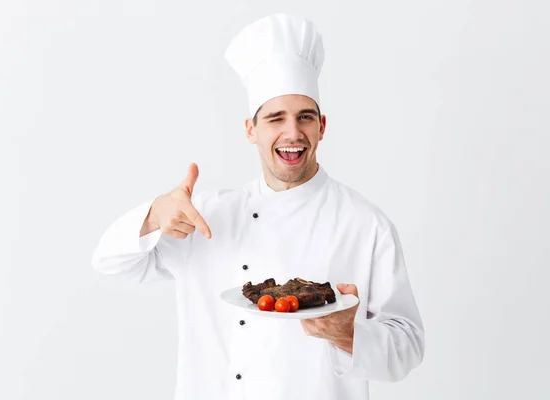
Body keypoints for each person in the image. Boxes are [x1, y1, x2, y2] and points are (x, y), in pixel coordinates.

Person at [92, 13, 424, 400]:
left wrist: (350, 336)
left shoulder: (365, 224)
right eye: (275, 118)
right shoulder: (206, 215)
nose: (292, 133)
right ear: (251, 130)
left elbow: (409, 346)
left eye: (305, 117)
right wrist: (153, 215)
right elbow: (108, 262)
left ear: (322, 127)